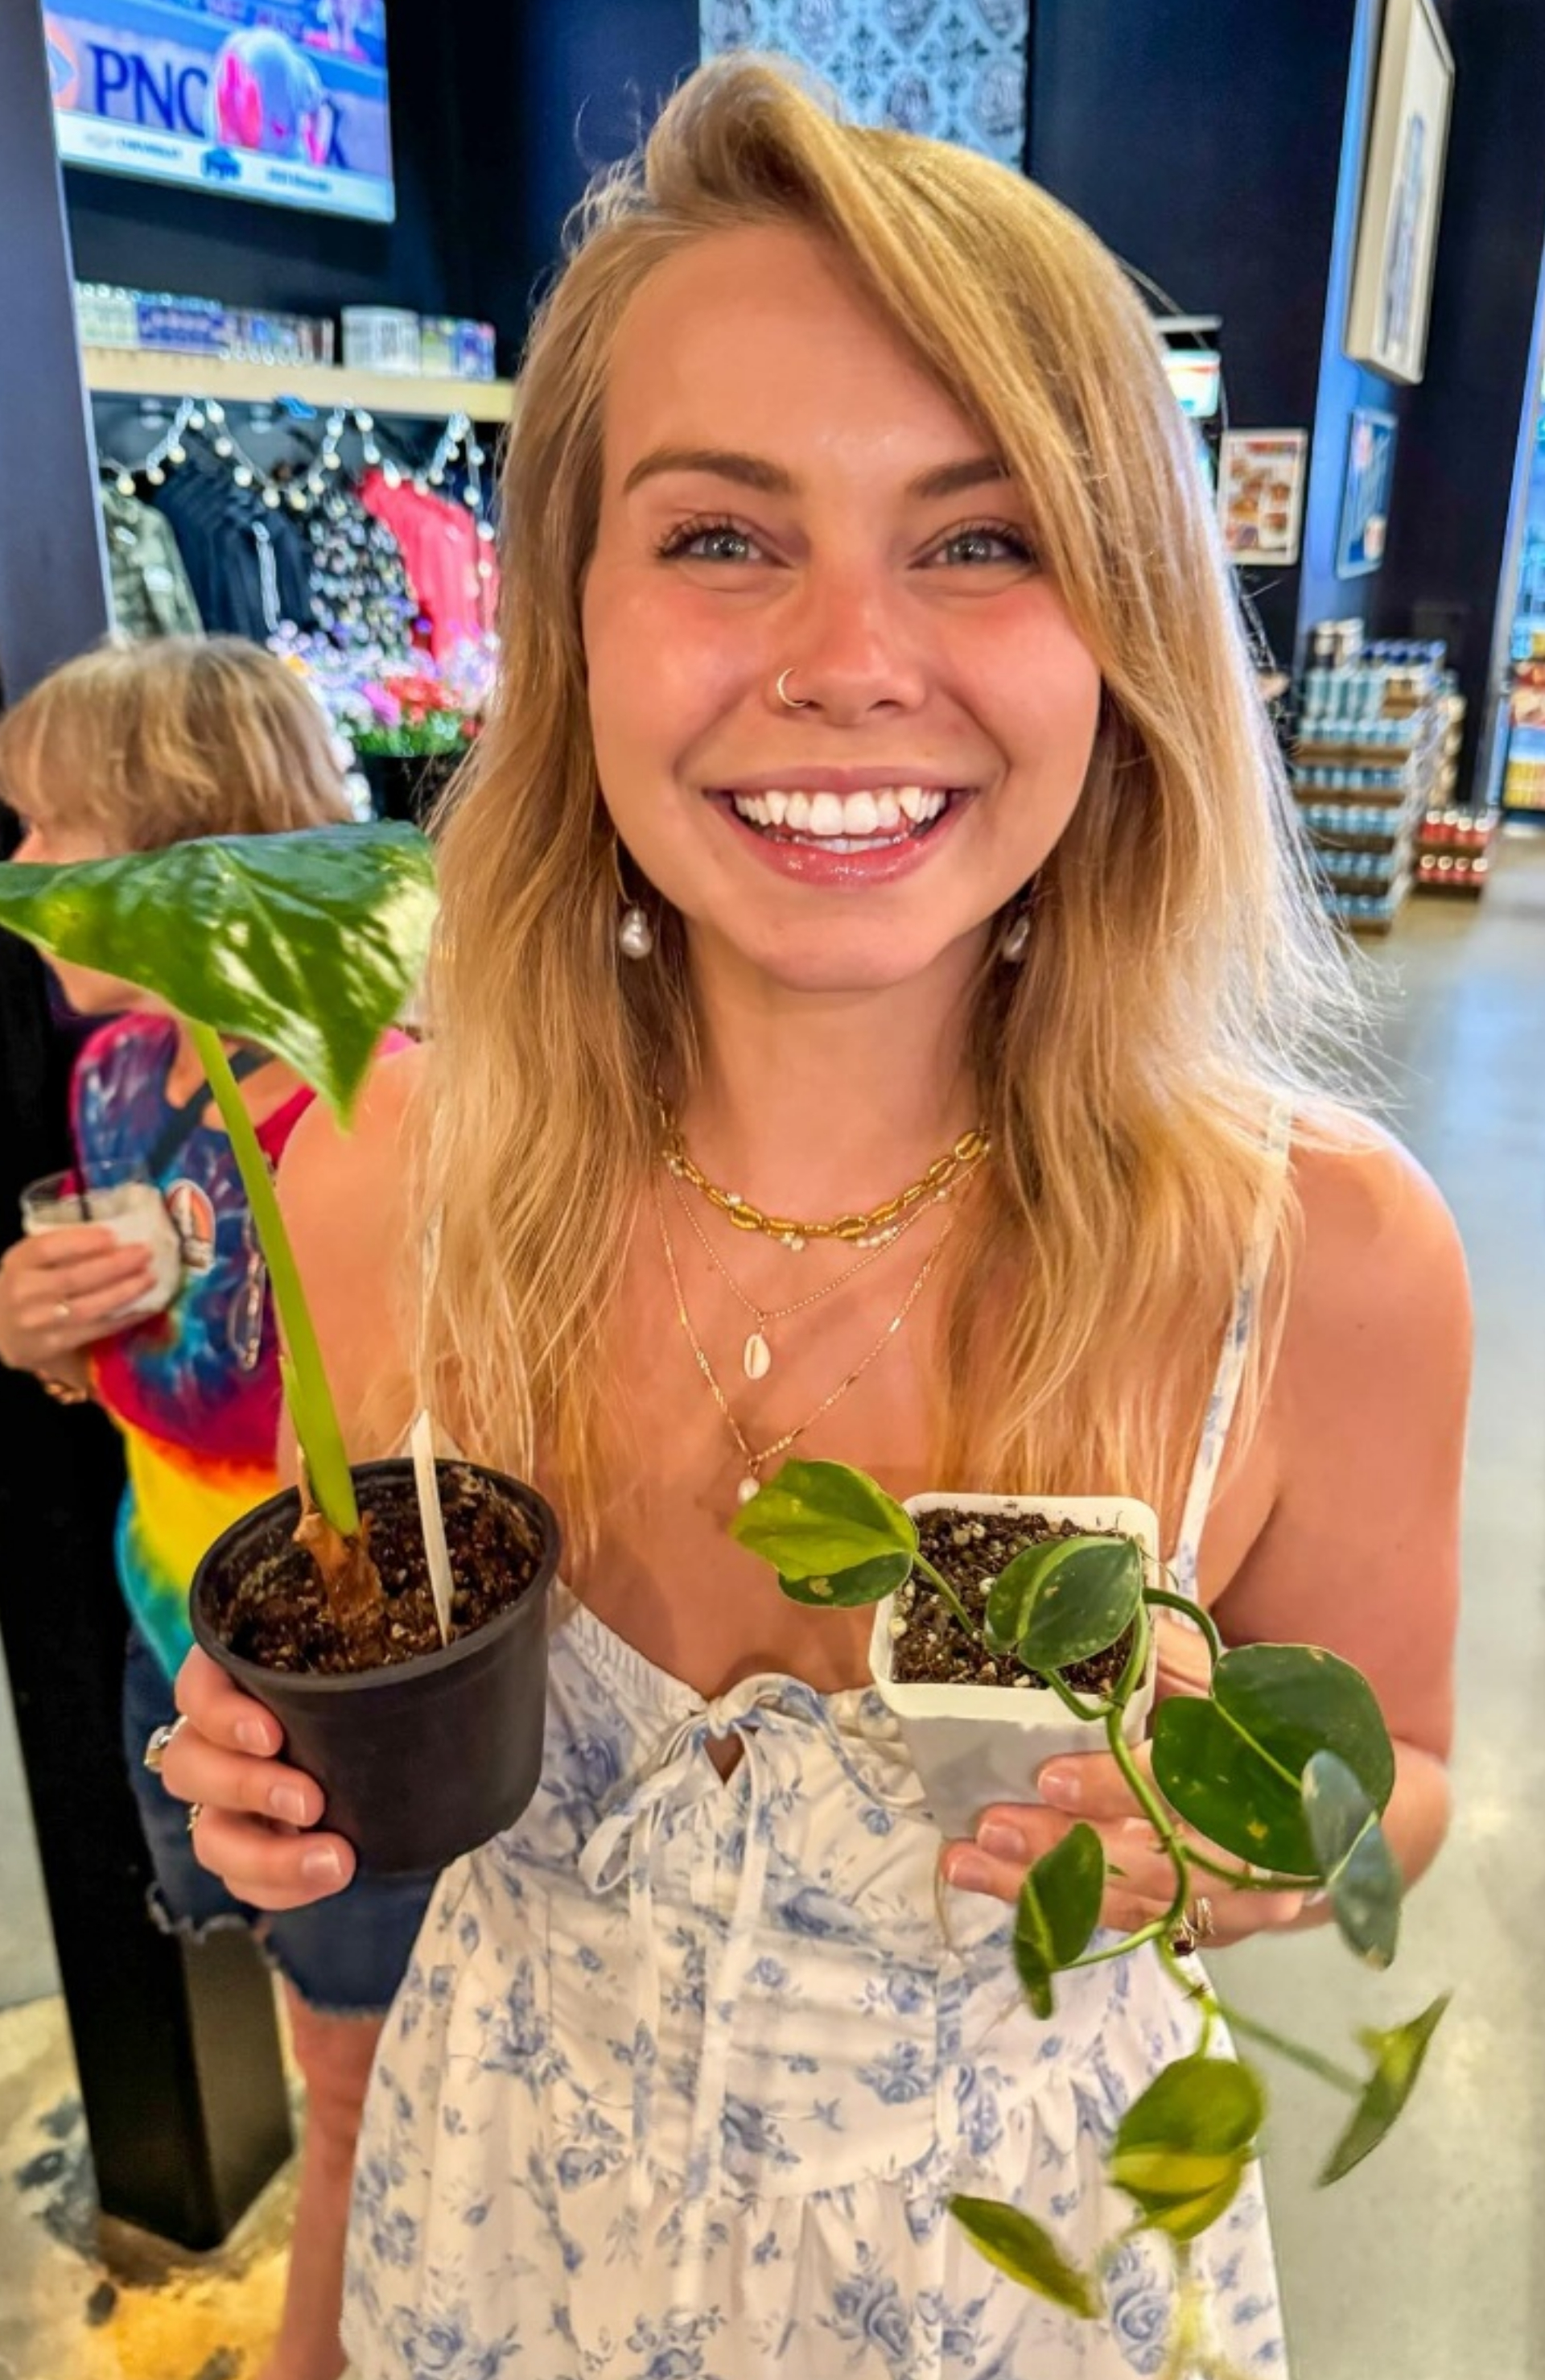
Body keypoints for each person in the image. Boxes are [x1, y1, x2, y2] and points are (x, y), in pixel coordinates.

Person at [158, 60, 1468, 2378]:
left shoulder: (1318, 1264)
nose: (848, 658)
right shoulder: (388, 1188)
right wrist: (264, 1794)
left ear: (1130, 629)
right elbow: (331, 1713)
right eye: (720, 537)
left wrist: (1263, 1838)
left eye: (982, 539)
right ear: (569, 617)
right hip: (503, 2245)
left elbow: (1405, 1774)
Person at [0, 636, 433, 2380]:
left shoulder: (374, 1105)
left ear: (187, 851)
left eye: (51, 828)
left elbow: (410, 1460)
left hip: (325, 1684)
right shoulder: (117, 1081)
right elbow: (161, 1372)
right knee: (300, 2003)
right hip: (171, 1627)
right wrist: (51, 1346)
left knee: (353, 2075)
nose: (22, 868)